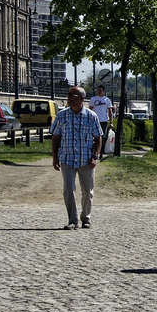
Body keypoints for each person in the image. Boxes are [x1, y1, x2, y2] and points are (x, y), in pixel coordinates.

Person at [49, 86, 103, 230]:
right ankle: (72, 220)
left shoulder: (91, 116)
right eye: (68, 94)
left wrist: (95, 157)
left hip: (86, 160)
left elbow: (98, 138)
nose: (69, 97)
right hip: (67, 159)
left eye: (72, 95)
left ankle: (86, 218)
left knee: (87, 191)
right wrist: (55, 158)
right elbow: (55, 137)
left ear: (81, 98)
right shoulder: (62, 116)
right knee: (69, 190)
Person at [89, 85, 114, 160]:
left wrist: (111, 122)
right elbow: (90, 110)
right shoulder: (93, 99)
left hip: (104, 121)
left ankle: (101, 152)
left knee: (102, 137)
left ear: (103, 91)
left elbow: (110, 112)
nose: (99, 91)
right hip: (94, 120)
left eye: (100, 90)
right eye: (98, 90)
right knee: (93, 136)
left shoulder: (107, 100)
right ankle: (93, 151)